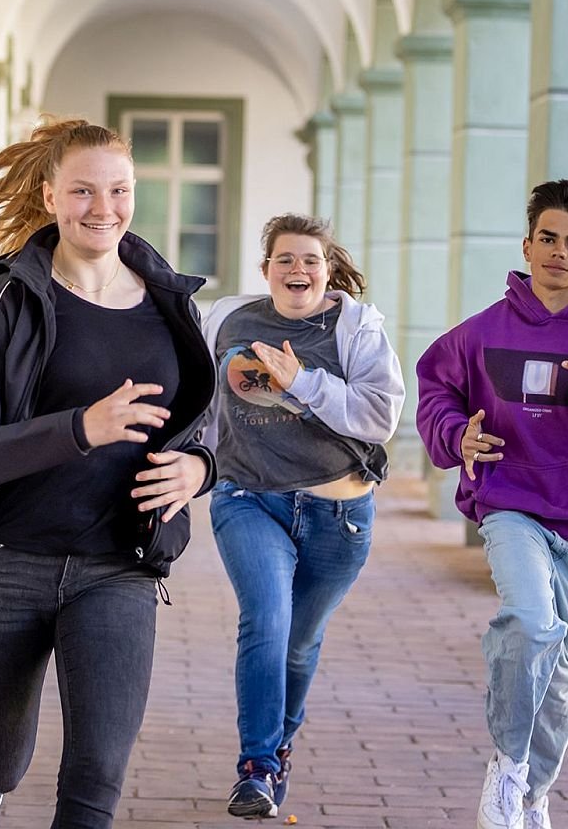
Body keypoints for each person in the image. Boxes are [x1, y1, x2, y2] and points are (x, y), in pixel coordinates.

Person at [0, 117, 216, 829]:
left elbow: (209, 425)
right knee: (2, 756)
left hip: (119, 565)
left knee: (96, 776)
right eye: (83, 190)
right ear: (52, 194)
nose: (103, 208)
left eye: (118, 190)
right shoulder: (4, 303)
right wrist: (80, 428)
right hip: (8, 563)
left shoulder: (171, 304)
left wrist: (198, 470)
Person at [416, 180, 568, 829]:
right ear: (527, 244)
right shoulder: (484, 332)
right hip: (510, 504)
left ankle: (533, 794)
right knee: (531, 625)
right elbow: (436, 386)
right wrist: (458, 435)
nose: (559, 254)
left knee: (565, 674)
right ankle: (507, 769)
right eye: (548, 239)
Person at [203, 213, 405, 819]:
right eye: (285, 260)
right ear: (265, 270)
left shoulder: (357, 328)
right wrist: (193, 460)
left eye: (310, 260)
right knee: (265, 620)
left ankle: (280, 743)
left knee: (299, 642)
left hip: (336, 514)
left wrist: (304, 381)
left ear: (329, 269)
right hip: (247, 497)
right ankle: (257, 767)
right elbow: (201, 400)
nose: (298, 269)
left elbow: (378, 418)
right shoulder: (228, 321)